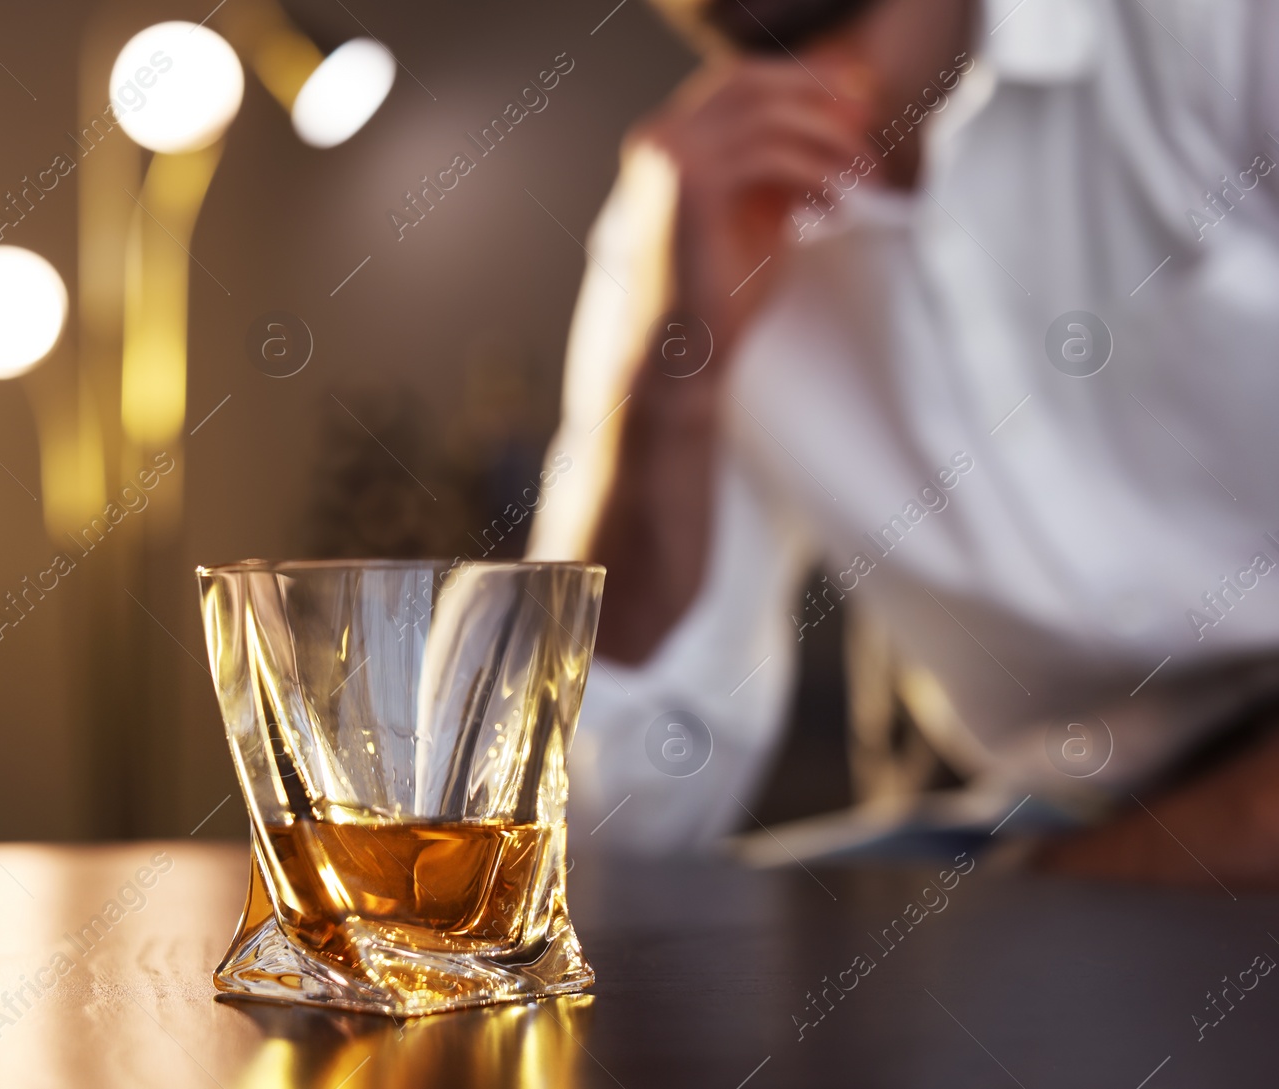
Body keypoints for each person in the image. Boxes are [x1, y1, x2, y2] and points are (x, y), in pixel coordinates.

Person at [529, 0, 1279, 888]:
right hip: (1038, 831)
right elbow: (607, 826)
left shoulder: (1222, 29)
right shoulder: (670, 227)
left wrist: (1080, 883)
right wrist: (669, 399)